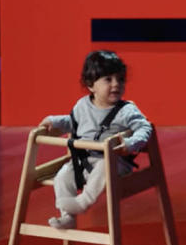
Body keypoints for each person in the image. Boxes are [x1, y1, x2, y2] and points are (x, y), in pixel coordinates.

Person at [39, 50, 152, 230]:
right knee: (63, 176)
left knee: (103, 166)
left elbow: (145, 128)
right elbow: (72, 122)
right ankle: (67, 216)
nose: (116, 84)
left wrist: (130, 143)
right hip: (84, 161)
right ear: (91, 85)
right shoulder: (82, 106)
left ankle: (83, 202)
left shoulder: (127, 110)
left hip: (115, 163)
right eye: (108, 79)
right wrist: (54, 121)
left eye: (120, 79)